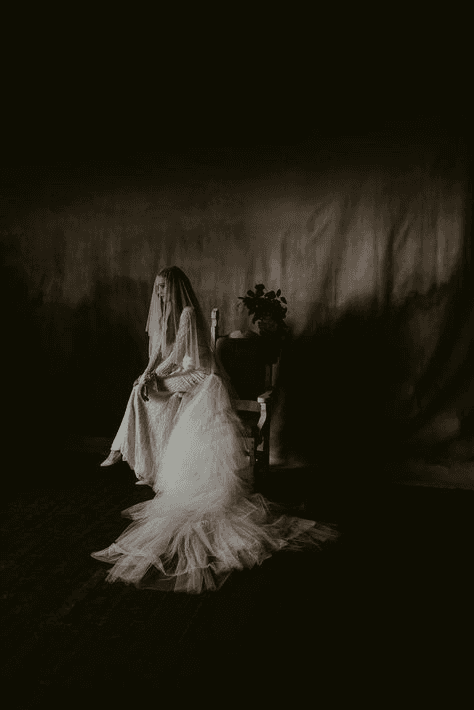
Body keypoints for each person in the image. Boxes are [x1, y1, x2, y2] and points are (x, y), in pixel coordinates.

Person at [92, 266, 336, 593]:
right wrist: (150, 374)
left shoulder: (189, 314)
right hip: (186, 375)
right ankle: (129, 449)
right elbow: (165, 356)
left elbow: (191, 361)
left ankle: (126, 448)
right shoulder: (169, 315)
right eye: (157, 289)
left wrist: (159, 377)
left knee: (152, 391)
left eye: (164, 289)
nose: (159, 295)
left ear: (176, 288)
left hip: (204, 380)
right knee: (143, 390)